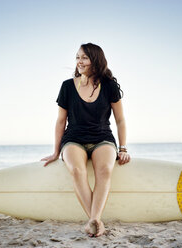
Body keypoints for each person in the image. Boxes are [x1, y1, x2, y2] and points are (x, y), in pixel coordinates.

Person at [41, 43, 130, 237]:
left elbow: (120, 120)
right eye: (77, 57)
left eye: (84, 58)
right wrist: (56, 152)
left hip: (102, 138)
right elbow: (60, 121)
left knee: (105, 170)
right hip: (73, 139)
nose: (79, 62)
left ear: (95, 60)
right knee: (77, 170)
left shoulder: (109, 86)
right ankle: (96, 220)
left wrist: (123, 148)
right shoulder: (67, 86)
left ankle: (93, 220)